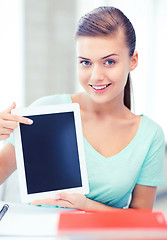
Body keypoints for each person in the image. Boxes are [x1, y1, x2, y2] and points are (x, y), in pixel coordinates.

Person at [0, 6, 165, 211]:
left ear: (133, 61)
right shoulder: (46, 111)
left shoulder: (150, 136)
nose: (96, 76)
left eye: (109, 62)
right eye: (86, 62)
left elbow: (141, 220)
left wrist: (86, 205)